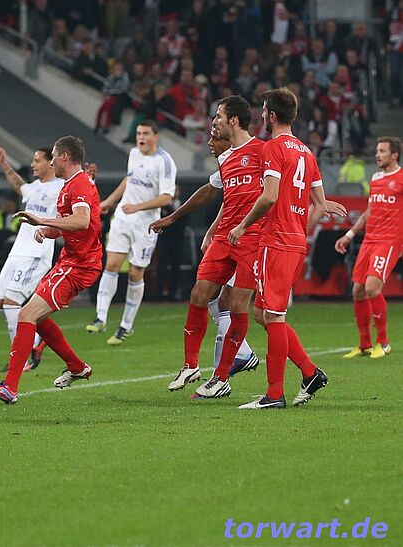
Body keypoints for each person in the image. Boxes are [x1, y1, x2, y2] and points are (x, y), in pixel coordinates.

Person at [228, 88, 338, 409]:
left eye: (264, 111)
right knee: (263, 313)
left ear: (272, 115)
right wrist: (300, 231)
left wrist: (242, 225)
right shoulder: (306, 152)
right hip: (293, 241)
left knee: (274, 316)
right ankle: (310, 372)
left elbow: (269, 196)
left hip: (275, 240)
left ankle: (274, 394)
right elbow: (321, 204)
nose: (262, 116)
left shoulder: (272, 147)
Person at [151, 96, 264, 397]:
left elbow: (279, 188)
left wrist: (318, 200)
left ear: (234, 121)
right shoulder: (226, 158)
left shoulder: (262, 151)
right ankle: (190, 365)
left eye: (218, 116)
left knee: (237, 306)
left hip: (251, 238)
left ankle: (222, 377)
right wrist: (173, 217)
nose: (214, 122)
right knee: (199, 295)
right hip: (225, 237)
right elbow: (212, 193)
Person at [0, 136, 101, 404]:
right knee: (37, 317)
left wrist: (42, 220)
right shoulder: (69, 185)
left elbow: (82, 220)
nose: (52, 161)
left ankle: (10, 387)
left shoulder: (78, 183)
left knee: (25, 314)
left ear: (64, 157)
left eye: (53, 156)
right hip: (70, 261)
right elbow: (69, 224)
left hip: (80, 265)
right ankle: (77, 367)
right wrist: (47, 230)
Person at [89, 121, 176, 345]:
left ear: (156, 136)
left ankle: (126, 326)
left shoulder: (165, 161)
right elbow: (129, 180)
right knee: (111, 265)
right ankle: (100, 317)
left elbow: (167, 197)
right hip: (123, 218)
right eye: (138, 133)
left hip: (146, 224)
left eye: (146, 133)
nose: (141, 138)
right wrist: (109, 201)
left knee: (136, 273)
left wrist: (137, 207)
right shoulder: (134, 154)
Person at [0, 146, 65, 370]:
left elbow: (77, 201)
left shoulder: (61, 187)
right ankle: (38, 340)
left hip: (36, 253)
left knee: (11, 303)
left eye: (37, 160)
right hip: (17, 252)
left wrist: (90, 179)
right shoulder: (35, 187)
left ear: (50, 163)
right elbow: (18, 184)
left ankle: (22, 357)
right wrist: (4, 164)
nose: (33, 164)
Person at [335, 137, 403, 359]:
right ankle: (364, 345)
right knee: (358, 290)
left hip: (389, 241)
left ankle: (383, 343)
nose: (377, 154)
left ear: (394, 155)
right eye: (377, 150)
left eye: (382, 151)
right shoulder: (375, 178)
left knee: (373, 287)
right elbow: (369, 211)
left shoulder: (401, 179)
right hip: (369, 240)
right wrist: (349, 235)